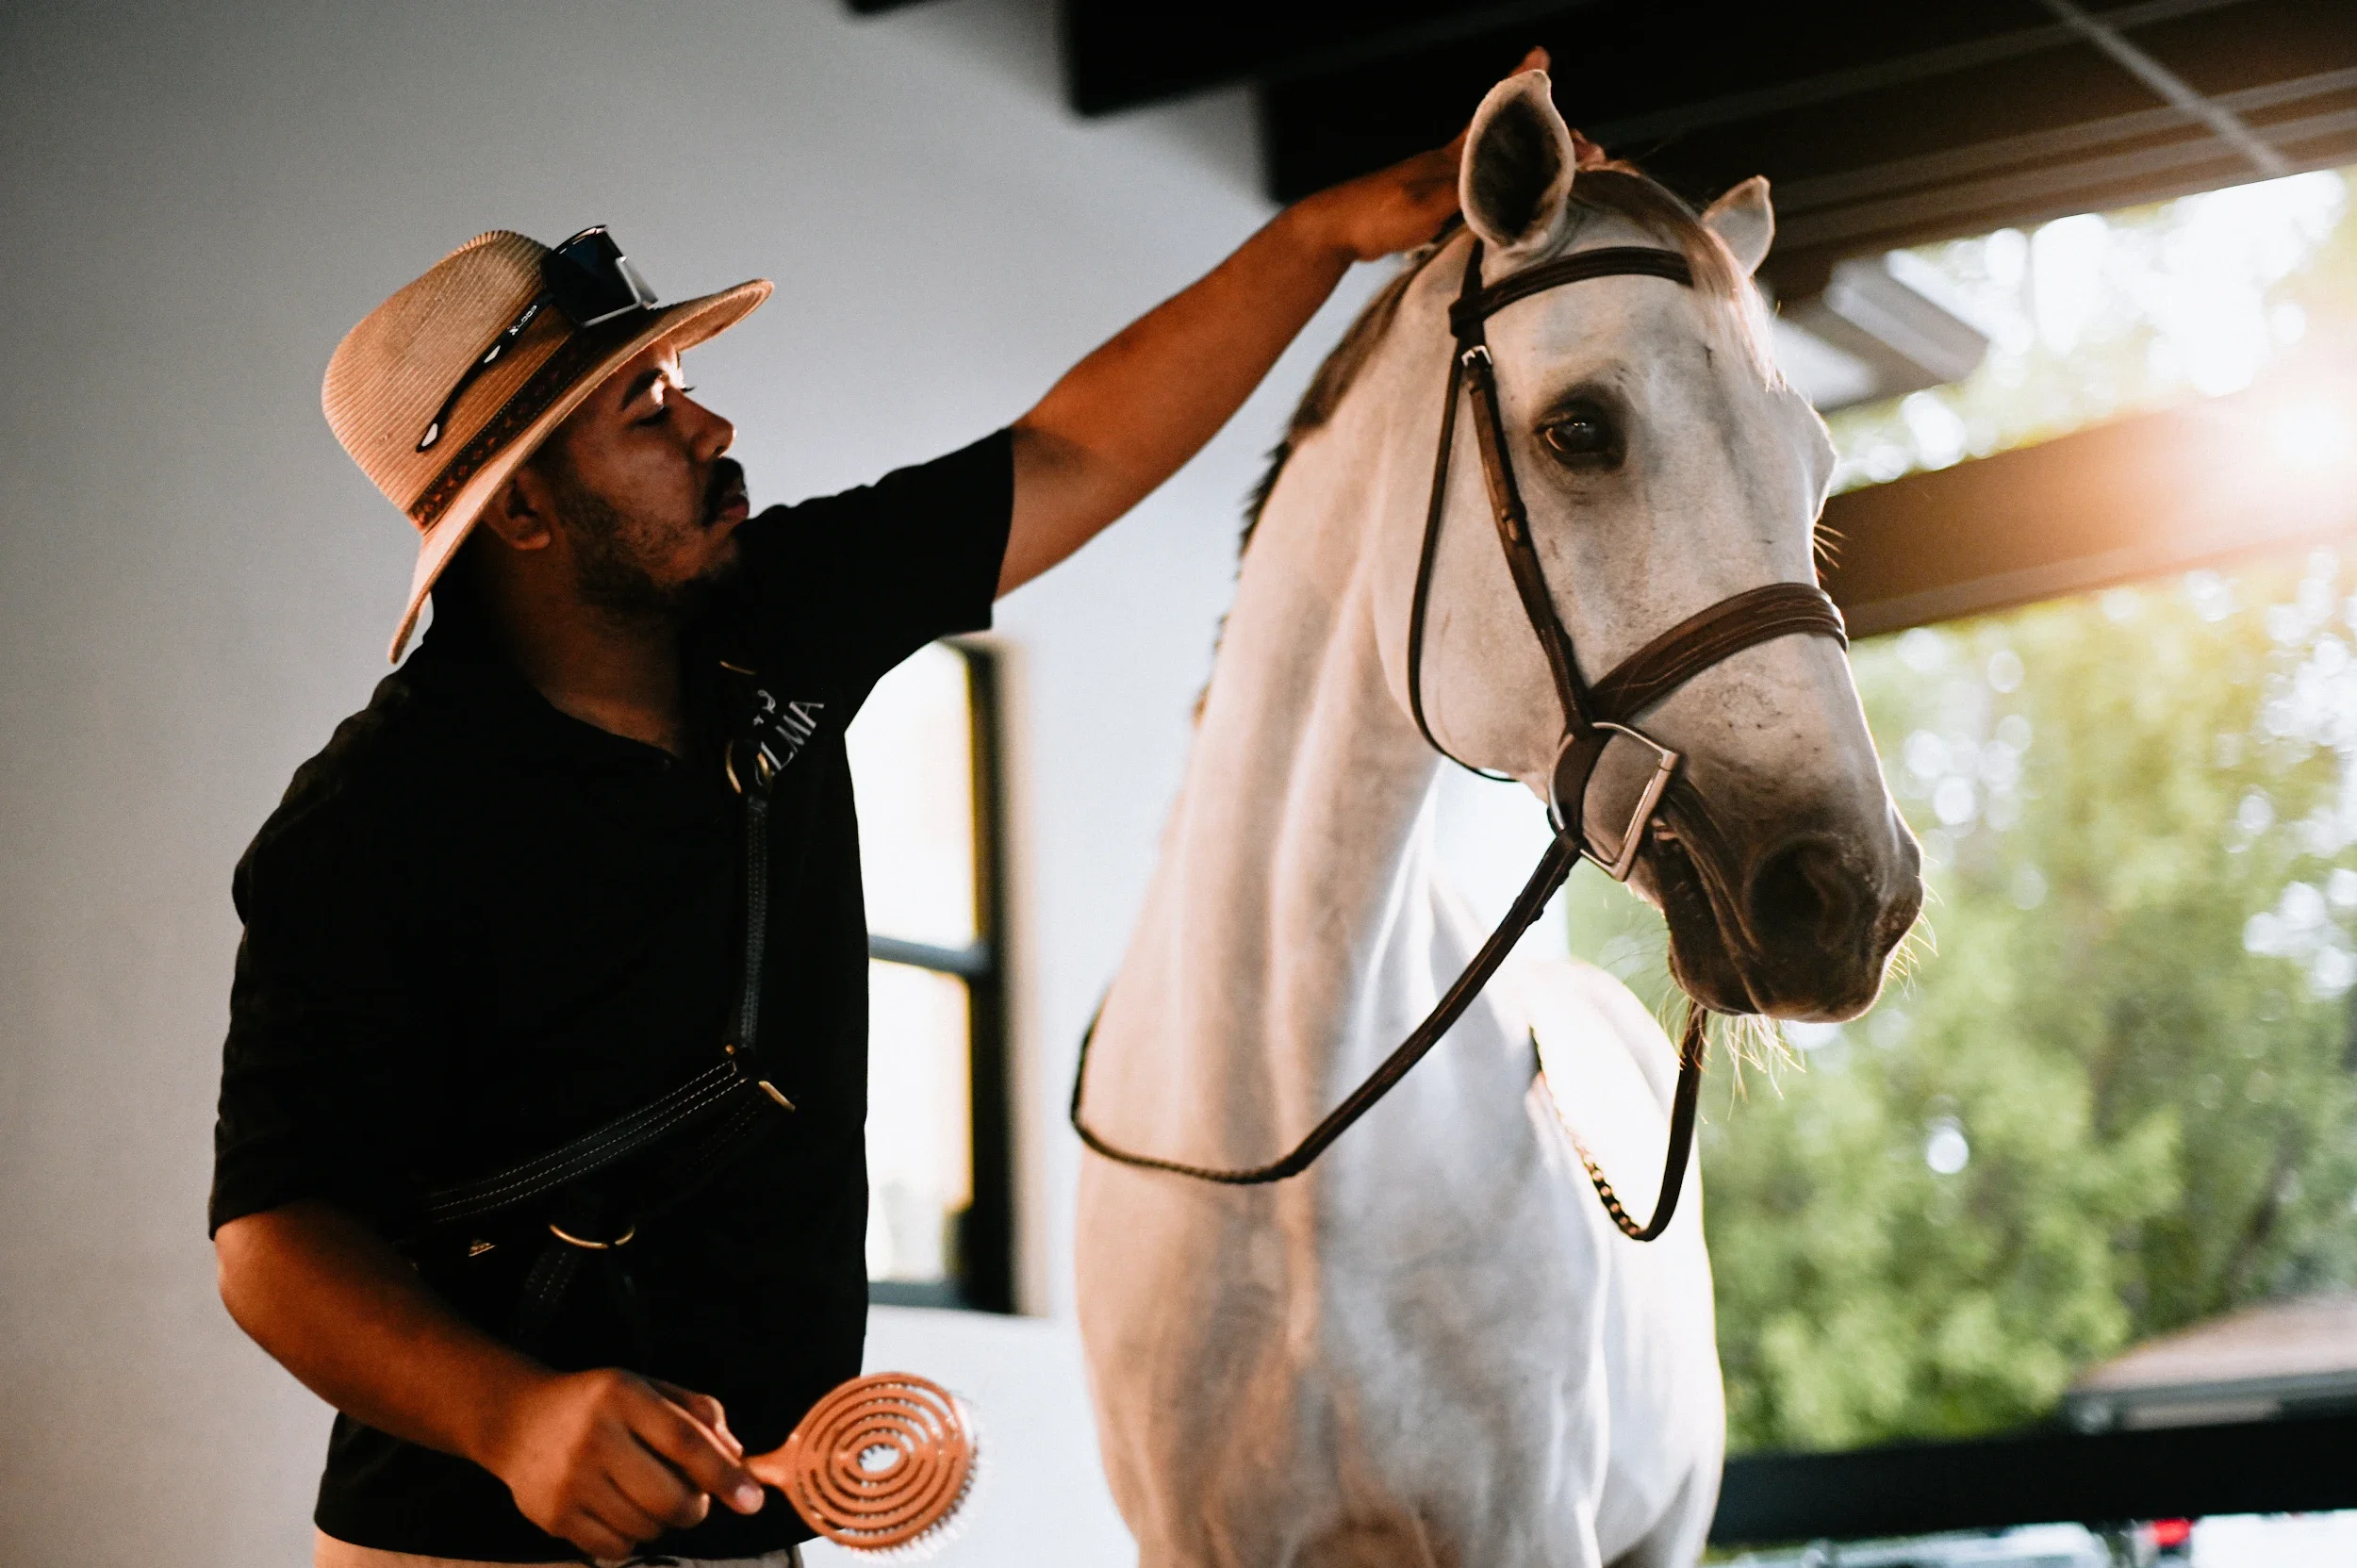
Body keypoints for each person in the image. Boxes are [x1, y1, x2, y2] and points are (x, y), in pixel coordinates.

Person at [207, 64, 1508, 1568]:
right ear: (520, 512)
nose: (711, 425)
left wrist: (1320, 239)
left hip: (753, 1529)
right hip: (453, 1545)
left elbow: (1070, 451)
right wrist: (511, 1416)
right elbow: (272, 1242)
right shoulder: (369, 825)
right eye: (648, 407)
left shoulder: (782, 615)